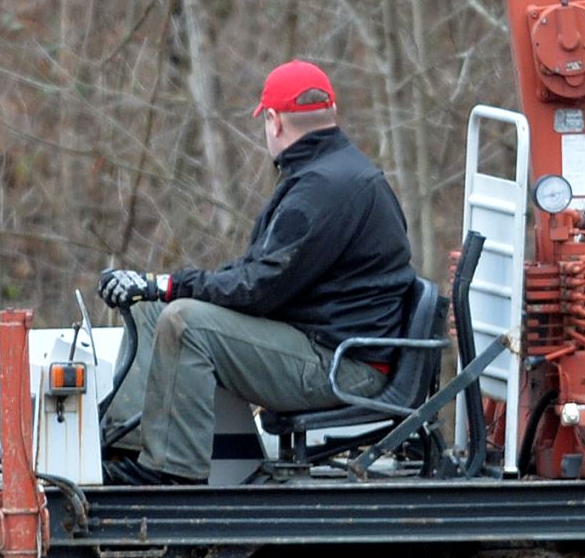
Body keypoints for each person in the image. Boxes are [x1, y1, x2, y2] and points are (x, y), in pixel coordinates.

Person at [97, 61, 418, 485]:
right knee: (150, 309)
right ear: (332, 112)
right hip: (325, 344)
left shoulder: (323, 189)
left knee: (185, 322)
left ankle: (173, 474)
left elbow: (259, 289)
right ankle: (127, 451)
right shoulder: (332, 172)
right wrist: (158, 289)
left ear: (274, 120)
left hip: (343, 365)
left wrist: (172, 284)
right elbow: (259, 272)